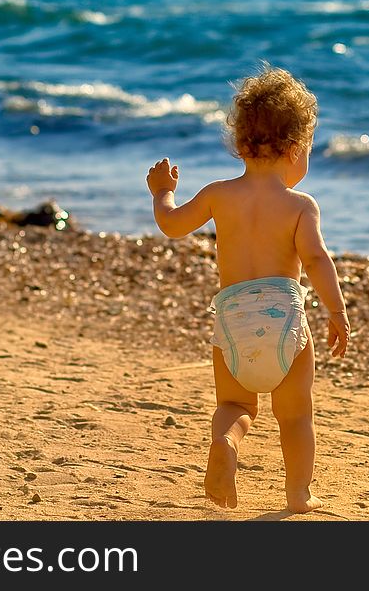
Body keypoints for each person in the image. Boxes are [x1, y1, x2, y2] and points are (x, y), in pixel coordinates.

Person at [145, 64, 350, 513]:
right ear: (296, 149)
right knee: (295, 415)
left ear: (240, 143)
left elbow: (172, 225)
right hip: (286, 326)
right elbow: (316, 259)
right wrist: (336, 312)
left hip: (233, 320)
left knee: (236, 403)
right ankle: (299, 493)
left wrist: (162, 192)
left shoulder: (219, 193)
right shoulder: (300, 205)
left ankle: (227, 443)